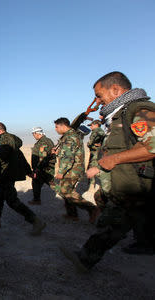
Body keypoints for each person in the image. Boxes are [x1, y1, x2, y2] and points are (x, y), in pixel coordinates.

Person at [61, 72, 155, 271]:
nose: (97, 100)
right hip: (131, 183)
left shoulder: (139, 109)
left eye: (99, 94)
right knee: (124, 220)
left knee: (112, 222)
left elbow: (152, 146)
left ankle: (85, 259)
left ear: (115, 89)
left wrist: (114, 159)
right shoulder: (120, 114)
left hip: (136, 185)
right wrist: (102, 165)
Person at [0, 122, 46, 235]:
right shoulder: (11, 140)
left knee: (12, 201)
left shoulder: (5, 140)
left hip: (4, 175)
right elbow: (20, 156)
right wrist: (29, 172)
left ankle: (36, 221)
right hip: (2, 176)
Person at [53, 118, 99, 223]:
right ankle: (72, 214)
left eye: (56, 127)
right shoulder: (70, 136)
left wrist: (61, 172)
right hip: (72, 169)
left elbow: (68, 157)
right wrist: (58, 152)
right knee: (66, 191)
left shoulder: (70, 137)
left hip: (72, 170)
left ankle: (92, 209)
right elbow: (67, 153)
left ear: (63, 126)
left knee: (66, 191)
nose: (56, 129)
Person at [29, 127, 56, 205]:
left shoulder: (44, 142)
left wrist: (38, 168)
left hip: (44, 168)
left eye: (33, 134)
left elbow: (43, 157)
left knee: (53, 185)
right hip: (42, 168)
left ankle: (68, 198)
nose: (33, 136)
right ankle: (36, 200)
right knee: (36, 182)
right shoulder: (43, 141)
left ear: (37, 133)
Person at [87, 120, 106, 188]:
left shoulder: (96, 131)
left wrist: (90, 144)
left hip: (95, 152)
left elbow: (90, 143)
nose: (91, 127)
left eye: (91, 125)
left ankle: (91, 185)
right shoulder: (102, 131)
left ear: (96, 125)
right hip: (99, 151)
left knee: (92, 167)